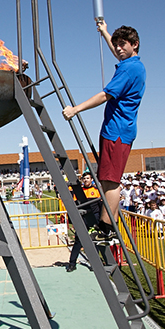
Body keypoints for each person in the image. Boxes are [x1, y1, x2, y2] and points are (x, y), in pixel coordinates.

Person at [62, 21, 146, 242]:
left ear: (135, 45)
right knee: (108, 180)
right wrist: (105, 32)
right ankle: (110, 228)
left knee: (110, 182)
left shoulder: (129, 69)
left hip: (116, 132)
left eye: (122, 45)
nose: (118, 48)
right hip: (118, 130)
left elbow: (104, 95)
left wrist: (75, 109)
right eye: (116, 44)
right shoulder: (133, 64)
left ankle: (105, 228)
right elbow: (116, 50)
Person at [66, 172, 102, 272]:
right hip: (82, 218)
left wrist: (99, 221)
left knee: (95, 241)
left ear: (91, 179)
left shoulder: (96, 190)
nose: (86, 180)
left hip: (94, 218)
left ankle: (95, 264)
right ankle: (72, 263)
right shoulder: (78, 191)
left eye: (87, 178)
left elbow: (100, 206)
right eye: (84, 178)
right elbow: (74, 206)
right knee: (78, 241)